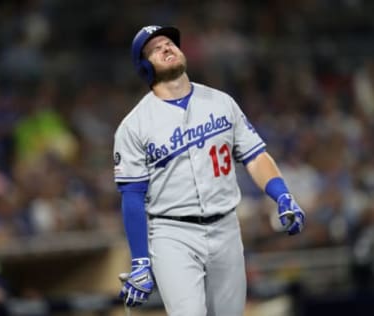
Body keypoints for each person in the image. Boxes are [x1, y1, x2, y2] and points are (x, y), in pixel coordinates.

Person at [113, 25, 305, 316]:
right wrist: (140, 260)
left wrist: (282, 195)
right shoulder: (134, 125)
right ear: (144, 66)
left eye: (169, 43)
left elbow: (255, 155)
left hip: (226, 227)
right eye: (155, 48)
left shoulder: (221, 102)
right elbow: (132, 196)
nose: (166, 48)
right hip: (172, 232)